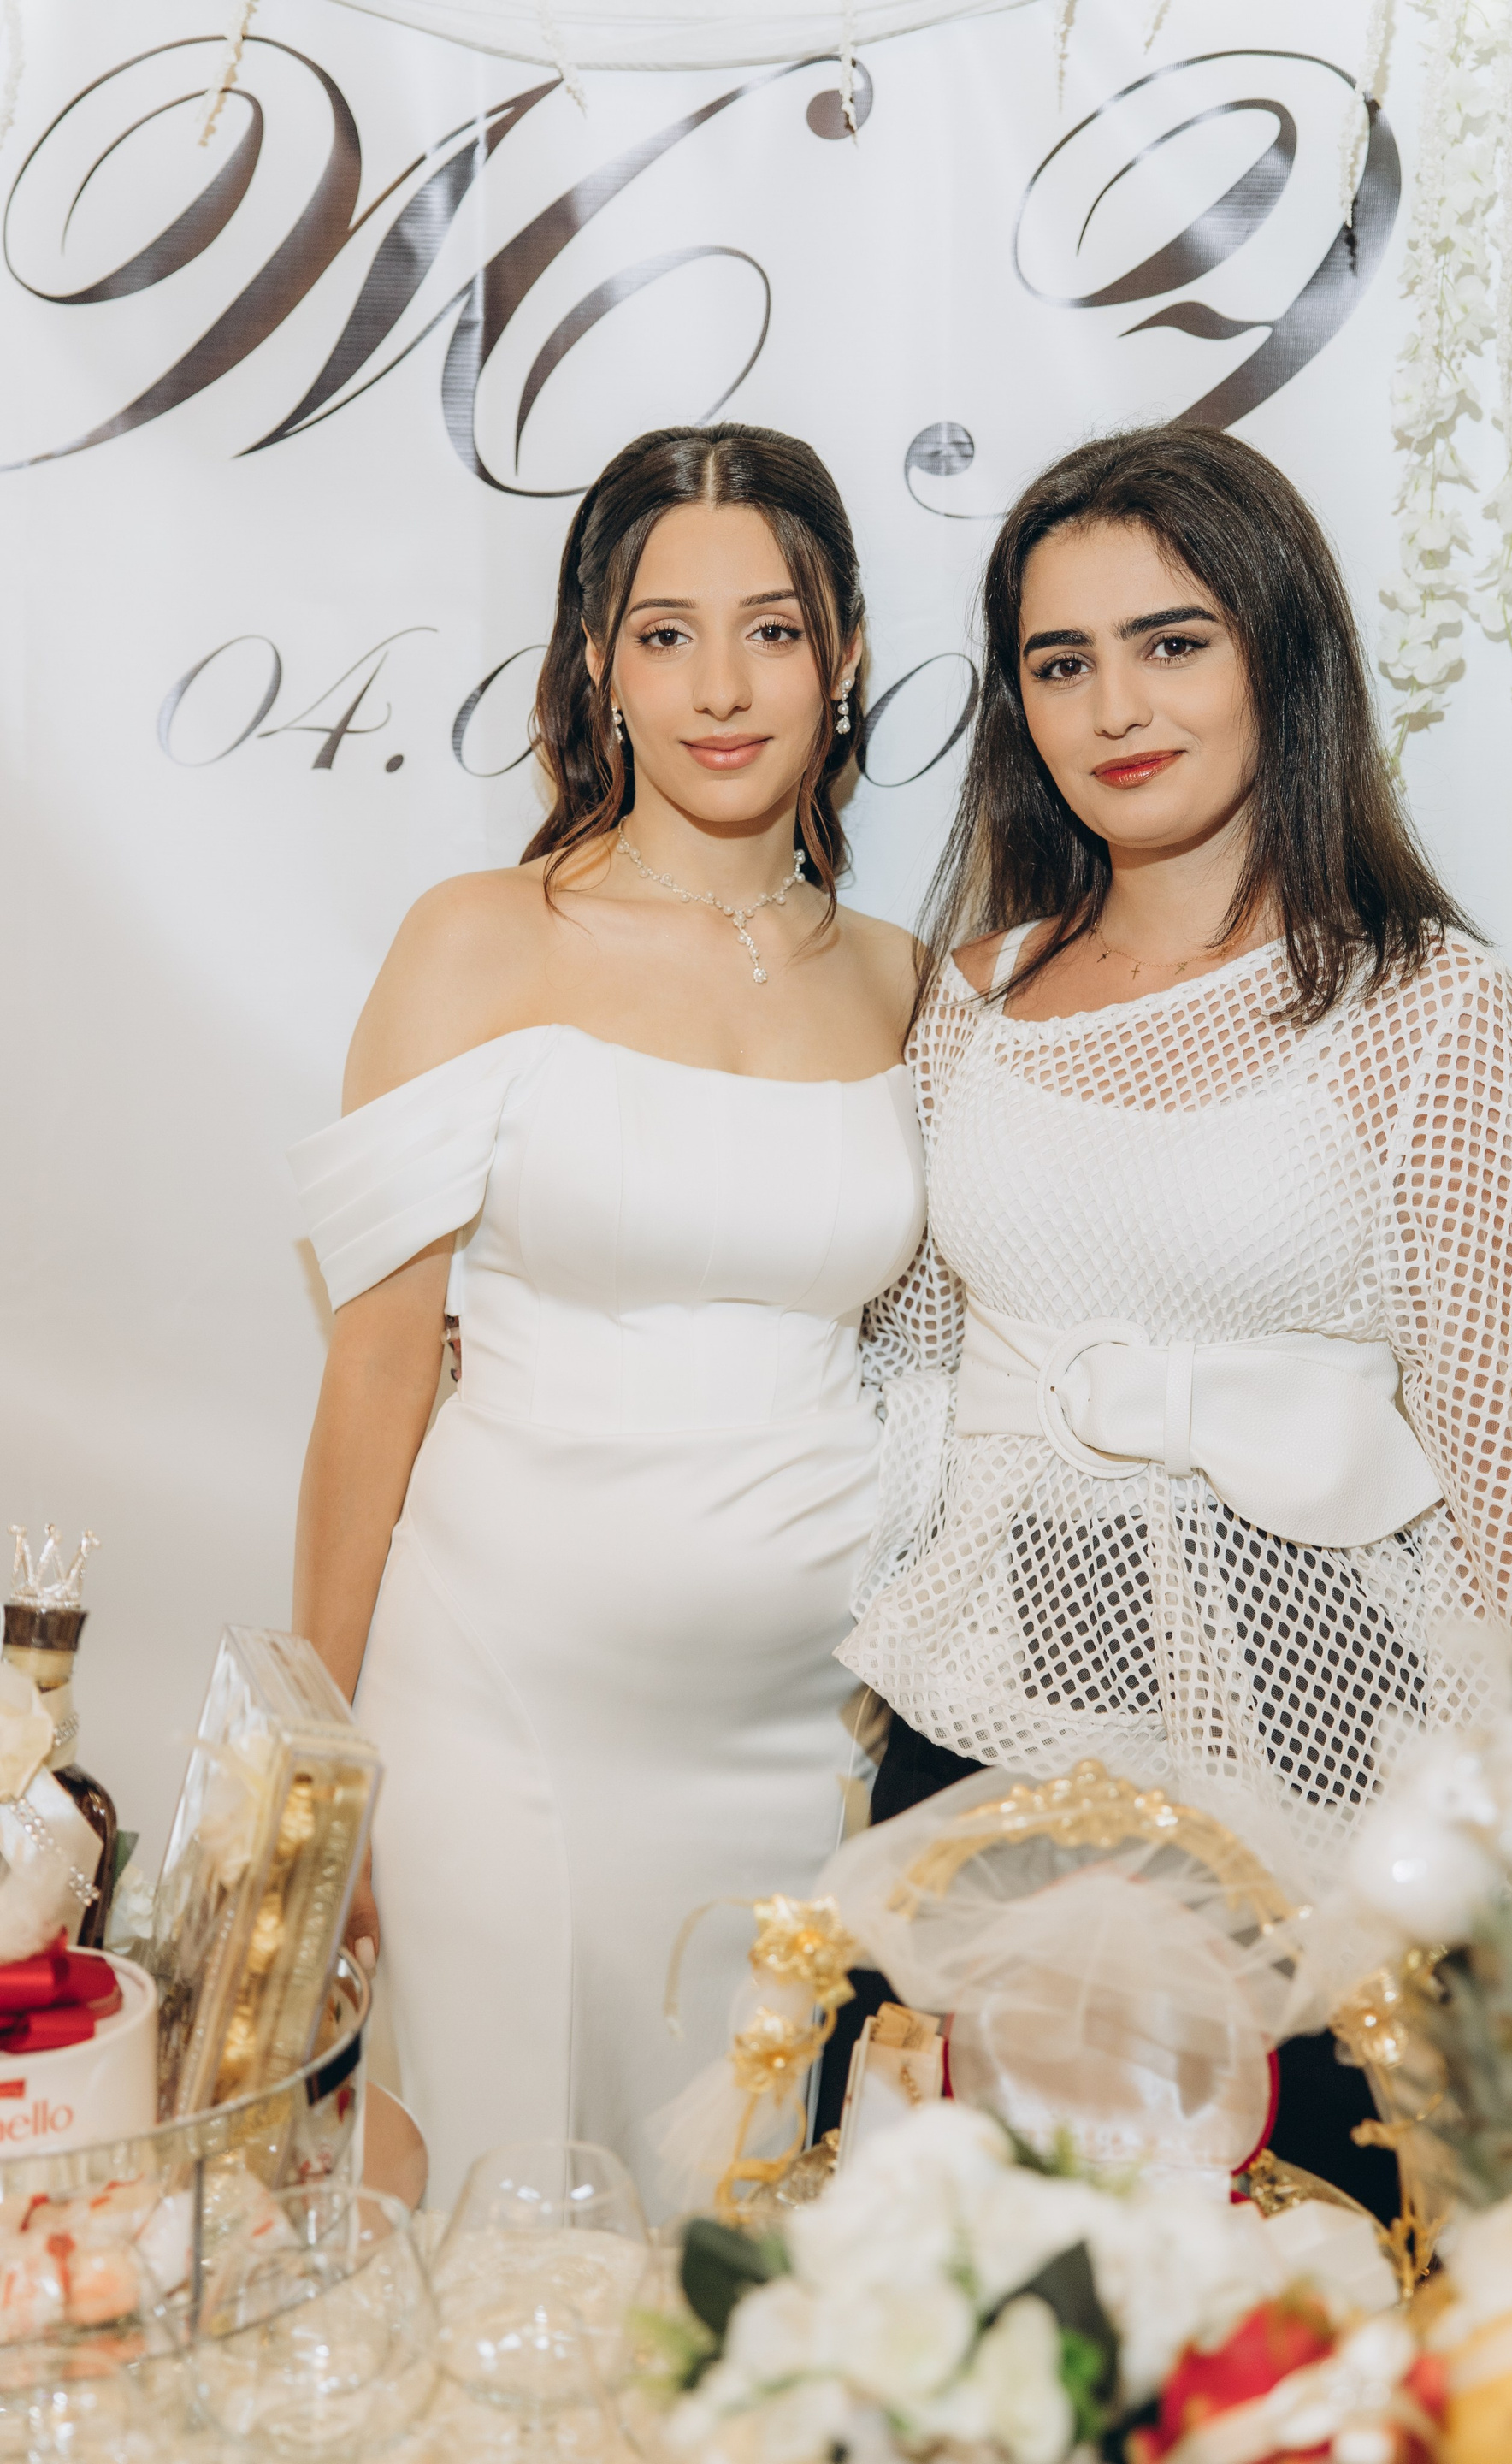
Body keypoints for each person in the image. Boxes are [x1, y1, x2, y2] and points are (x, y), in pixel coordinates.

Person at [826, 422, 1512, 2210]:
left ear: (1281, 652)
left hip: (1327, 1723)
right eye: (1062, 661)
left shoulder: (1422, 1004)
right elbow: (915, 1392)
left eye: (1172, 642)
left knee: (1316, 2254)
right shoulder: (970, 1003)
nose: (1116, 705)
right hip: (999, 1706)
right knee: (954, 2255)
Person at [288, 423, 924, 2210]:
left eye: (773, 630)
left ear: (846, 656)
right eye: (665, 634)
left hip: (813, 1742)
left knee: (752, 2260)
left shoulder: (907, 982)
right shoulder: (477, 941)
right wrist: (319, 1776)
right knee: (509, 2227)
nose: (720, 687)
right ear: (597, 665)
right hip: (502, 1714)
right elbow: (374, 1380)